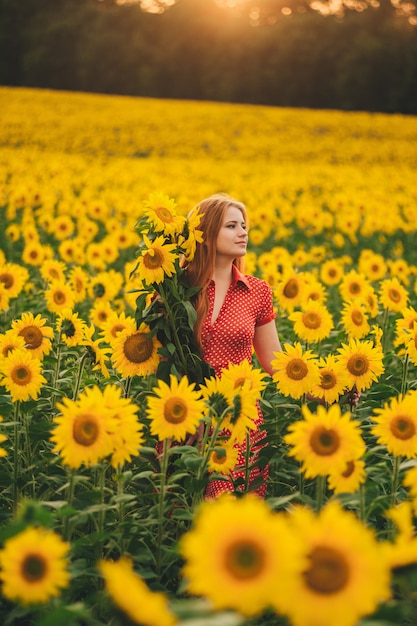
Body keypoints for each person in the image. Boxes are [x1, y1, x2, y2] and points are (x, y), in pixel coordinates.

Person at [183, 193, 282, 499]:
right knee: (180, 521)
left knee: (229, 517)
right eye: (231, 226)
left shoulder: (257, 292)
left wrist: (325, 388)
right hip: (184, 418)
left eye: (243, 225)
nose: (243, 232)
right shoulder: (177, 289)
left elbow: (274, 361)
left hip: (238, 423)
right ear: (205, 233)